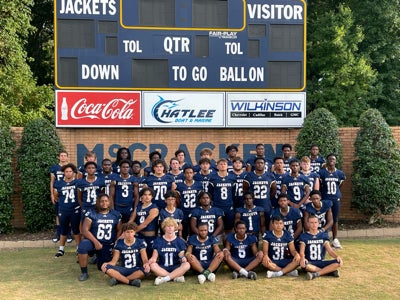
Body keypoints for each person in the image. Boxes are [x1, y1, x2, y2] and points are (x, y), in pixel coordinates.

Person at [77, 193, 122, 281]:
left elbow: (119, 230)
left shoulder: (116, 214)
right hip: (94, 242)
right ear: (98, 202)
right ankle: (84, 272)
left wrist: (115, 245)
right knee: (83, 246)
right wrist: (96, 242)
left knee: (102, 267)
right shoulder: (92, 213)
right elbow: (85, 230)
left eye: (106, 201)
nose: (104, 203)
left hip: (107, 244)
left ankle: (97, 257)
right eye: (102, 201)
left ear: (109, 202)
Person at [101, 222, 149, 287]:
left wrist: (146, 264)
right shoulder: (119, 243)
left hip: (136, 269)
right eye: (127, 232)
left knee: (145, 270)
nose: (129, 234)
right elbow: (114, 261)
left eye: (131, 232)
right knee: (106, 267)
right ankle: (130, 282)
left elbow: (144, 259)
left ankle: (119, 280)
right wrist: (106, 264)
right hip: (123, 269)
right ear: (123, 233)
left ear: (135, 232)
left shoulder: (140, 242)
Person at [299, 215, 343, 280]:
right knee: (305, 265)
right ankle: (329, 272)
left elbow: (330, 251)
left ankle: (316, 274)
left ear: (318, 223)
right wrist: (302, 258)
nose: (314, 225)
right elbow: (301, 252)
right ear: (308, 224)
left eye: (315, 222)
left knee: (338, 262)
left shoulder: (323, 235)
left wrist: (337, 257)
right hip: (310, 262)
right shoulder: (304, 236)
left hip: (321, 261)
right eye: (311, 222)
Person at [149, 217, 190, 285]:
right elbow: (154, 257)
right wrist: (152, 260)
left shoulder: (179, 241)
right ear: (164, 228)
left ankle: (165, 279)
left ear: (175, 228)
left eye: (172, 226)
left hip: (176, 267)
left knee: (187, 265)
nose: (170, 228)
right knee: (153, 265)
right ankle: (175, 277)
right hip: (162, 267)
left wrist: (183, 258)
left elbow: (181, 255)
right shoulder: (158, 241)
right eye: (168, 226)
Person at [53, 163, 81, 257]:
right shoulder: (58, 183)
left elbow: (80, 196)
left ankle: (78, 248)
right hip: (64, 209)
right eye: (66, 171)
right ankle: (61, 249)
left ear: (73, 173)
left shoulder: (77, 182)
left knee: (76, 230)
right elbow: (56, 196)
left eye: (70, 171)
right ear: (63, 172)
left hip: (75, 209)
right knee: (63, 229)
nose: (68, 173)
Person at [318, 153, 346, 249]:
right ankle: (325, 239)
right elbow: (320, 186)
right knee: (325, 219)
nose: (331, 161)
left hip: (335, 199)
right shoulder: (322, 173)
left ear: (336, 161)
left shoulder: (340, 173)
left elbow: (340, 185)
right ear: (327, 160)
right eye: (330, 159)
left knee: (335, 219)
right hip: (325, 199)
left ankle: (335, 239)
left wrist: (336, 195)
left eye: (333, 159)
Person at [243, 157, 276, 226]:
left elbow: (273, 191)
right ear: (254, 164)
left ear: (264, 165)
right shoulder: (248, 176)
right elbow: (245, 190)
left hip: (266, 204)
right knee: (254, 224)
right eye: (258, 163)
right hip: (253, 204)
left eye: (262, 163)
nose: (260, 164)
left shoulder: (270, 176)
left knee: (267, 224)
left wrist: (267, 198)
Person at [208, 158, 237, 235]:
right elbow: (210, 193)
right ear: (217, 166)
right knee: (218, 227)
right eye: (221, 164)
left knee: (229, 228)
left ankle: (227, 245)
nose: (223, 165)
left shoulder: (232, 178)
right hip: (217, 206)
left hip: (229, 206)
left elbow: (234, 193)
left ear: (227, 166)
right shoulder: (213, 178)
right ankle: (216, 244)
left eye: (224, 164)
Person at [130, 187, 159, 258]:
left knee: (148, 259)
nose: (147, 197)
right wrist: (125, 232)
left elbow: (144, 224)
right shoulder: (138, 207)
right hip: (139, 235)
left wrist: (133, 232)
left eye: (149, 195)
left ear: (152, 196)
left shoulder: (154, 208)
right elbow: (131, 220)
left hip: (149, 236)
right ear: (142, 196)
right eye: (145, 194)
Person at [176, 165, 203, 239]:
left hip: (195, 210)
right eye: (187, 173)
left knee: (194, 231)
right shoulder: (179, 185)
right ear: (184, 174)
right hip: (184, 211)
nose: (189, 174)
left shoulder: (198, 184)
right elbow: (177, 199)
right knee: (184, 231)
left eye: (191, 172)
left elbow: (200, 199)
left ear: (193, 173)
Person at [49, 150, 70, 243]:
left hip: (68, 193)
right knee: (58, 214)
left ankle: (68, 235)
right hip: (58, 193)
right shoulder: (54, 168)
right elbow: (52, 182)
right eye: (61, 156)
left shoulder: (70, 167)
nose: (63, 157)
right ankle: (58, 234)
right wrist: (52, 194)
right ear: (59, 157)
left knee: (69, 214)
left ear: (67, 157)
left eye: (65, 156)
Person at [77, 162, 106, 226]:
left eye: (93, 168)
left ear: (95, 169)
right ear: (86, 170)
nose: (91, 169)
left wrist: (99, 205)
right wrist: (83, 206)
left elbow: (102, 196)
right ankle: (83, 236)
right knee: (83, 223)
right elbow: (79, 198)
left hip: (96, 206)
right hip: (86, 206)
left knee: (96, 224)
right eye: (89, 168)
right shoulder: (81, 182)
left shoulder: (100, 181)